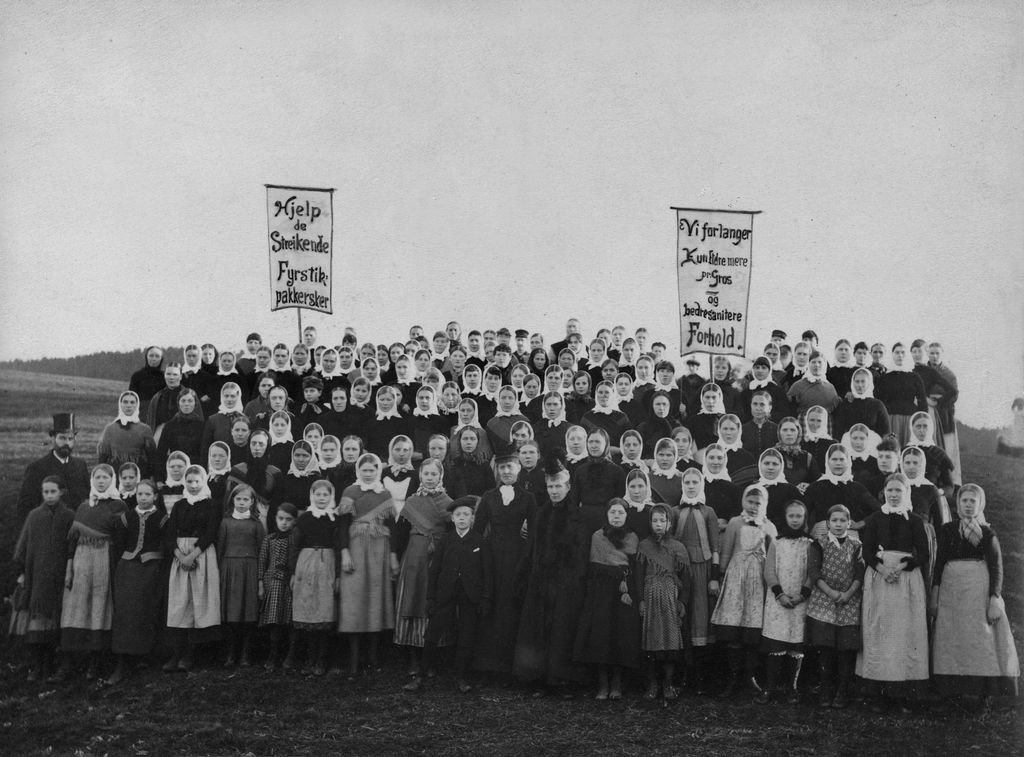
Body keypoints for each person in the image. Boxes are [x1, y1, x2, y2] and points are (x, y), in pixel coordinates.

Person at [931, 484, 1019, 701]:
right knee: (952, 637)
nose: (968, 505)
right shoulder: (948, 530)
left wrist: (994, 598)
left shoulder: (988, 533)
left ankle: (982, 691)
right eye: (964, 501)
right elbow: (939, 563)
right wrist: (935, 593)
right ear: (958, 504)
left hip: (977, 590)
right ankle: (953, 690)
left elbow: (996, 567)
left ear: (980, 505)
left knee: (979, 637)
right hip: (953, 590)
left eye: (973, 501)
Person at [513, 452, 589, 693]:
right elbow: (532, 548)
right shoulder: (542, 513)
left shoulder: (577, 516)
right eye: (550, 486)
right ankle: (538, 677)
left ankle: (561, 679)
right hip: (541, 581)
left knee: (562, 630)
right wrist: (526, 575)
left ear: (567, 487)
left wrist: (571, 582)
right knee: (538, 629)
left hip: (565, 584)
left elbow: (580, 553)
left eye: (558, 486)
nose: (554, 490)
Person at [857, 473, 930, 710]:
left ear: (906, 493)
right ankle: (877, 693)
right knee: (879, 631)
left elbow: (924, 553)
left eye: (899, 491)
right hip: (880, 578)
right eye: (890, 491)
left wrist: (901, 567)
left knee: (904, 634)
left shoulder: (916, 521)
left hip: (906, 579)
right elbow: (867, 551)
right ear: (884, 493)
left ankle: (900, 694)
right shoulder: (876, 518)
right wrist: (882, 568)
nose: (894, 495)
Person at [414, 496, 493, 694]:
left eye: (466, 514)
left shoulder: (480, 541)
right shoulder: (446, 540)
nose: (462, 518)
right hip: (446, 593)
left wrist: (485, 598)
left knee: (467, 634)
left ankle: (461, 676)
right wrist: (431, 597)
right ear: (452, 519)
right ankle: (421, 675)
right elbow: (435, 569)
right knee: (433, 632)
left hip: (470, 595)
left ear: (473, 518)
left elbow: (487, 573)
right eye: (458, 515)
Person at [473, 454, 538, 678]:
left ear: (518, 468)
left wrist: (527, 558)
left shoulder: (528, 498)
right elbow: (478, 530)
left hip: (517, 558)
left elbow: (534, 533)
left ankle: (511, 667)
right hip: (492, 556)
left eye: (510, 467)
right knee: (491, 604)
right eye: (502, 468)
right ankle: (488, 666)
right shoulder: (489, 496)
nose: (506, 471)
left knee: (511, 607)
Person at [712, 484, 777, 699]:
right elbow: (726, 551)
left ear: (765, 504)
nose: (753, 506)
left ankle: (750, 677)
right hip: (736, 578)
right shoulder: (734, 523)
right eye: (750, 502)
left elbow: (773, 558)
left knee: (752, 629)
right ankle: (733, 677)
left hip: (758, 581)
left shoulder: (769, 526)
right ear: (743, 502)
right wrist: (720, 576)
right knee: (734, 629)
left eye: (758, 503)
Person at [337, 453, 399, 678]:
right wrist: (344, 552)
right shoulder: (349, 492)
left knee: (375, 600)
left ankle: (372, 658)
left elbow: (392, 526)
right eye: (364, 470)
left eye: (372, 469)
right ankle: (353, 661)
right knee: (355, 601)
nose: (368, 473)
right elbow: (342, 526)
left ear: (378, 471)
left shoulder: (384, 493)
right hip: (355, 547)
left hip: (378, 550)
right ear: (358, 471)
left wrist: (392, 555)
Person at [12, 475, 75, 682]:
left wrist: (69, 569)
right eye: (45, 492)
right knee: (36, 622)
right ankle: (36, 666)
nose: (49, 495)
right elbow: (23, 546)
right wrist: (22, 571)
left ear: (61, 492)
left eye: (52, 491)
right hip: (36, 577)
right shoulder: (34, 516)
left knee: (54, 623)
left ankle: (50, 664)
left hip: (58, 578)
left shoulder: (68, 516)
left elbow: (71, 548)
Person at [394, 459, 452, 681]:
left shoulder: (447, 501)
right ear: (420, 475)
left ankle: (431, 660)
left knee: (433, 602)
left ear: (440, 476)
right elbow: (400, 534)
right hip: (415, 556)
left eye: (433, 474)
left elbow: (454, 525)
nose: (429, 477)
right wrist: (396, 557)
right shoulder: (412, 501)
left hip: (436, 556)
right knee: (413, 599)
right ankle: (414, 660)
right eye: (426, 474)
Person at [163, 464, 222, 672]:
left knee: (199, 601)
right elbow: (170, 534)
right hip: (181, 556)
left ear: (203, 481)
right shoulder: (179, 505)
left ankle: (191, 654)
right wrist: (180, 556)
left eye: (197, 481)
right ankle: (176, 653)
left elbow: (211, 532)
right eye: (189, 481)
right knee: (181, 602)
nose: (194, 485)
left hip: (201, 554)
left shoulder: (211, 504)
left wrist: (193, 555)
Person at [108, 479, 166, 684]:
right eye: (140, 494)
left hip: (150, 571)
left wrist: (153, 557)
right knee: (125, 613)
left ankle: (143, 658)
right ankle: (122, 662)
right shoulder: (126, 517)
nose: (143, 498)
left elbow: (165, 546)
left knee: (145, 612)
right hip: (127, 570)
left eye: (147, 495)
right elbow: (118, 546)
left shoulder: (161, 518)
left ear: (155, 497)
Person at [806, 504, 864, 709]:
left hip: (849, 600)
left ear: (849, 523)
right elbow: (814, 573)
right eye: (834, 521)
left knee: (845, 650)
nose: (838, 525)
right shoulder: (818, 544)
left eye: (842, 521)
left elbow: (859, 574)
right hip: (824, 599)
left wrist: (847, 594)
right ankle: (824, 690)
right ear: (828, 523)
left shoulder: (856, 545)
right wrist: (831, 593)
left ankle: (842, 691)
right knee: (826, 649)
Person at [756, 500, 813, 705]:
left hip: (800, 601)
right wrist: (779, 594)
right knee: (776, 644)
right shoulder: (777, 542)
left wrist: (801, 595)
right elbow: (768, 570)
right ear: (786, 517)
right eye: (791, 516)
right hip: (778, 601)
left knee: (795, 646)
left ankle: (792, 688)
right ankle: (769, 687)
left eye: (799, 516)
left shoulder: (810, 544)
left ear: (805, 518)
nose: (795, 520)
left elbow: (812, 573)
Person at [635, 503, 691, 700]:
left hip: (670, 597)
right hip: (651, 597)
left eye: (663, 520)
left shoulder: (678, 548)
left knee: (670, 642)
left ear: (670, 523)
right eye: (655, 520)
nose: (658, 524)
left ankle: (668, 684)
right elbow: (638, 576)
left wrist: (681, 602)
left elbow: (686, 579)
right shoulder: (644, 546)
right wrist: (641, 600)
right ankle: (653, 684)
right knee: (651, 642)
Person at [289, 480, 344, 675]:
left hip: (326, 565)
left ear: (331, 497)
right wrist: (294, 573)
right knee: (308, 612)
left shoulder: (334, 519)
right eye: (318, 495)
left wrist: (337, 576)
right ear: (312, 496)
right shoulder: (303, 519)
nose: (322, 498)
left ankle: (321, 660)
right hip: (305, 566)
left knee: (324, 612)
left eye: (325, 495)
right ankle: (309, 659)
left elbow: (338, 549)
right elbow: (294, 546)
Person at [217, 484, 266, 668]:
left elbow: (262, 550)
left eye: (246, 499)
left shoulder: (256, 524)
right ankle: (231, 653)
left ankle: (245, 654)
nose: (242, 503)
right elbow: (220, 549)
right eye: (239, 499)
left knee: (248, 612)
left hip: (250, 569)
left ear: (252, 501)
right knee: (231, 612)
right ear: (232, 500)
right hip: (230, 569)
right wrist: (221, 571)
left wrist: (260, 575)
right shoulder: (226, 522)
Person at [18, 412, 90, 524]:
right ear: (52, 439)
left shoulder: (80, 465)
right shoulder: (37, 468)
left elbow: (88, 498)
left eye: (70, 439)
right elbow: (25, 508)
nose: (66, 443)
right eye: (62, 438)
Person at [257, 501, 298, 670]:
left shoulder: (295, 539)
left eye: (288, 519)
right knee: (273, 620)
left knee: (290, 619)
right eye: (281, 518)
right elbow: (262, 561)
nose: (284, 522)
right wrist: (260, 583)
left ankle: (290, 655)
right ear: (275, 518)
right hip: (272, 582)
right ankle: (273, 655)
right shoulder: (269, 539)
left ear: (294, 521)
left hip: (289, 583)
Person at [878, 343, 928, 446]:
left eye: (902, 353)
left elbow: (922, 401)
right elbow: (879, 401)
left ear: (906, 355)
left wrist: (922, 421)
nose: (900, 355)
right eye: (897, 352)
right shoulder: (884, 377)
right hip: (890, 420)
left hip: (909, 420)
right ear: (892, 354)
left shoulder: (914, 376)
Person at [927, 342, 962, 483]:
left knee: (947, 446)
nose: (934, 356)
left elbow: (954, 395)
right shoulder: (923, 371)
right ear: (927, 354)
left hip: (944, 414)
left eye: (937, 353)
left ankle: (951, 480)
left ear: (942, 354)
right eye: (931, 353)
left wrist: (939, 402)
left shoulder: (949, 374)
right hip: (927, 412)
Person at [155, 389, 205, 484]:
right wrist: (159, 479)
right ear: (178, 403)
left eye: (190, 401)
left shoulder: (202, 426)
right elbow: (161, 453)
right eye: (183, 401)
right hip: (176, 472)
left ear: (195, 403)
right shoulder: (170, 425)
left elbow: (204, 453)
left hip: (195, 474)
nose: (186, 404)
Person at [832, 367, 890, 440]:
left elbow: (885, 432)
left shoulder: (878, 405)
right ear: (853, 383)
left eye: (863, 381)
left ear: (869, 382)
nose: (859, 385)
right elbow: (838, 431)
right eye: (857, 381)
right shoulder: (846, 404)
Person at [786, 351, 840, 418]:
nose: (816, 365)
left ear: (825, 365)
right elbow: (789, 409)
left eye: (820, 362)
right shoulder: (797, 386)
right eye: (813, 362)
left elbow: (835, 410)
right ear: (808, 364)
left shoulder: (830, 388)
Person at [774, 417, 820, 493]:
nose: (789, 433)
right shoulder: (771, 454)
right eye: (785, 430)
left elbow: (818, 483)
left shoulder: (807, 457)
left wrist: (808, 485)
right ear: (779, 433)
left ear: (798, 432)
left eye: (792, 430)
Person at [146, 363, 184, 442]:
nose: (171, 377)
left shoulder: (188, 396)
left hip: (182, 436)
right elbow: (150, 422)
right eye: (168, 374)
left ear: (180, 376)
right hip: (159, 436)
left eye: (175, 374)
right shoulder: (157, 397)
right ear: (164, 375)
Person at [128, 346, 167, 417]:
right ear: (146, 357)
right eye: (151, 356)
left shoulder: (166, 377)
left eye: (157, 356)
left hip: (161, 416)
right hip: (141, 415)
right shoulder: (137, 376)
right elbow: (131, 398)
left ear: (161, 359)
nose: (154, 359)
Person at [741, 390, 780, 459]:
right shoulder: (742, 430)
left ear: (769, 407)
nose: (758, 408)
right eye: (755, 404)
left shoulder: (777, 430)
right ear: (751, 406)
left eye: (762, 404)